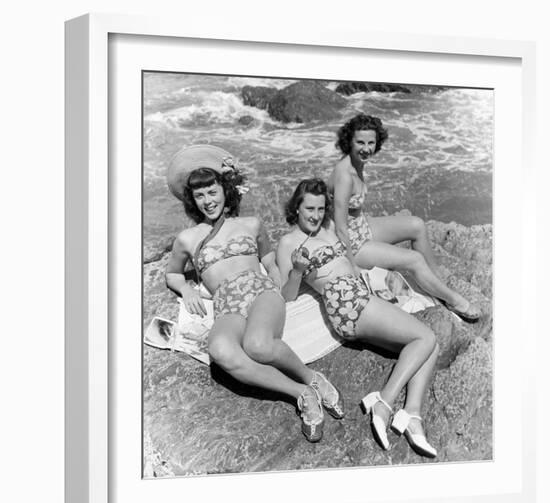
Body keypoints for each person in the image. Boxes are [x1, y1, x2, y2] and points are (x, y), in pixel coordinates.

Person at [164, 145, 344, 443]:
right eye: (200, 195)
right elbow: (172, 272)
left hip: (259, 290)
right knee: (220, 349)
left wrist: (279, 281)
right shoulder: (187, 239)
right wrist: (185, 288)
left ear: (225, 191)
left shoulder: (251, 224)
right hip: (225, 301)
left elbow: (268, 259)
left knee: (258, 345)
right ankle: (301, 392)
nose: (208, 201)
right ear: (192, 201)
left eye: (213, 192)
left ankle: (312, 377)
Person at [277, 178, 439, 457]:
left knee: (429, 348)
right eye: (308, 210)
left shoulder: (328, 227)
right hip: (346, 302)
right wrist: (297, 271)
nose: (315, 215)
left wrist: (376, 283)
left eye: (319, 209)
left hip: (362, 297)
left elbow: (351, 262)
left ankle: (412, 415)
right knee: (426, 336)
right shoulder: (288, 243)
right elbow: (287, 296)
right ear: (296, 209)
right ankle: (384, 402)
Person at [327, 113, 480, 321]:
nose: (366, 148)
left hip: (360, 227)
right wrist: (352, 266)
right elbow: (341, 228)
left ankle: (436, 281)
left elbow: (352, 215)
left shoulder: (358, 163)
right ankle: (453, 299)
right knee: (414, 259)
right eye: (360, 142)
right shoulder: (344, 175)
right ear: (349, 141)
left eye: (371, 142)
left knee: (416, 225)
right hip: (348, 244)